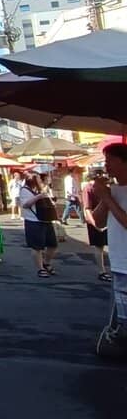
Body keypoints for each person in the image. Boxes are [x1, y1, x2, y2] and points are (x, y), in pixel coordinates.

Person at [92, 144, 127, 359]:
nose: (106, 165)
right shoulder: (112, 190)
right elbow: (98, 221)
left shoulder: (112, 194)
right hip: (119, 261)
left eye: (111, 160)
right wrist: (104, 196)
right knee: (122, 314)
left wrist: (107, 198)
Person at [19, 174, 59, 278]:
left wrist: (51, 200)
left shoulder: (41, 189)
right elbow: (25, 204)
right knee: (37, 247)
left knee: (52, 244)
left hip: (46, 219)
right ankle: (40, 268)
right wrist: (39, 196)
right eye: (38, 179)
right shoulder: (25, 190)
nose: (40, 181)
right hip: (33, 220)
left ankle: (46, 262)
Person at [83, 170, 113, 282]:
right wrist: (95, 224)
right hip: (96, 219)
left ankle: (109, 270)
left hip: (107, 218)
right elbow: (87, 208)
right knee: (99, 246)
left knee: (107, 244)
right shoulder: (88, 188)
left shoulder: (105, 187)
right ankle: (102, 271)